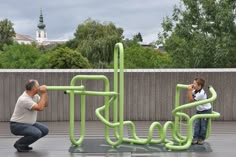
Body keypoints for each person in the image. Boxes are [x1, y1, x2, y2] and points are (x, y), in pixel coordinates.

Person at [10, 79, 49, 152]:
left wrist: (45, 93)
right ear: (34, 88)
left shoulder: (35, 96)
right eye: (38, 86)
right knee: (37, 133)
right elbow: (40, 108)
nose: (40, 86)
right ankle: (19, 144)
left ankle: (24, 143)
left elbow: (45, 104)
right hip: (17, 125)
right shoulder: (24, 99)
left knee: (45, 130)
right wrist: (43, 93)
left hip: (29, 123)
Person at [187, 78, 212, 145]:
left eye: (194, 83)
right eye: (193, 83)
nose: (193, 84)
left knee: (203, 125)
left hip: (206, 110)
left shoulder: (201, 93)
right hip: (199, 110)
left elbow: (191, 100)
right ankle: (195, 138)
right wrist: (190, 90)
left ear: (199, 86)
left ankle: (201, 138)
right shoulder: (195, 90)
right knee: (197, 124)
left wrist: (189, 90)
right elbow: (190, 97)